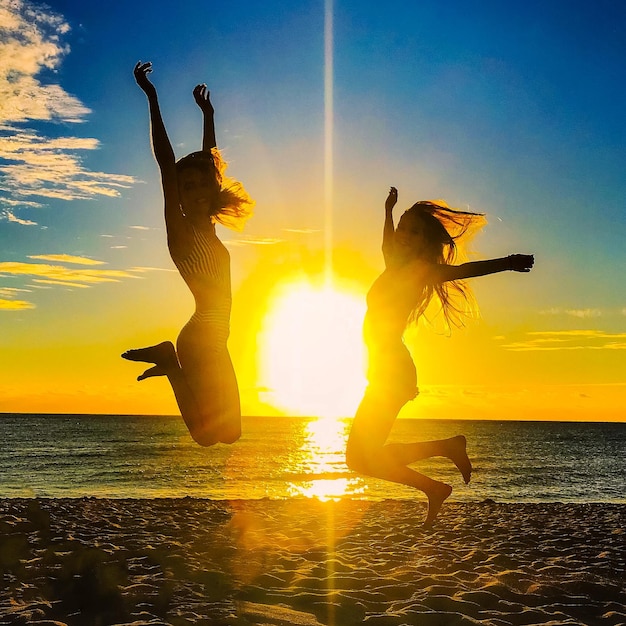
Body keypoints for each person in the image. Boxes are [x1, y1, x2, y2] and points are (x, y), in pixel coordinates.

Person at [346, 187, 533, 527]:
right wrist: (389, 211)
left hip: (393, 372)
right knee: (362, 456)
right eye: (403, 228)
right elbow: (387, 239)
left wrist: (507, 263)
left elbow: (466, 270)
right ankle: (439, 471)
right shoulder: (393, 262)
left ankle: (440, 467)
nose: (403, 235)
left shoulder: (421, 270)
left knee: (359, 457)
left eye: (413, 231)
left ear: (424, 241)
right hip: (384, 369)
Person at [122, 62, 254, 446]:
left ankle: (167, 360)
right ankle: (169, 361)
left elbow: (212, 166)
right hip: (199, 338)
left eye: (200, 185)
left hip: (218, 338)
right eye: (187, 186)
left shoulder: (209, 223)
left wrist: (209, 116)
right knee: (207, 437)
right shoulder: (180, 228)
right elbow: (166, 162)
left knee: (231, 434)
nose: (196, 191)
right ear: (177, 194)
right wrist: (151, 96)